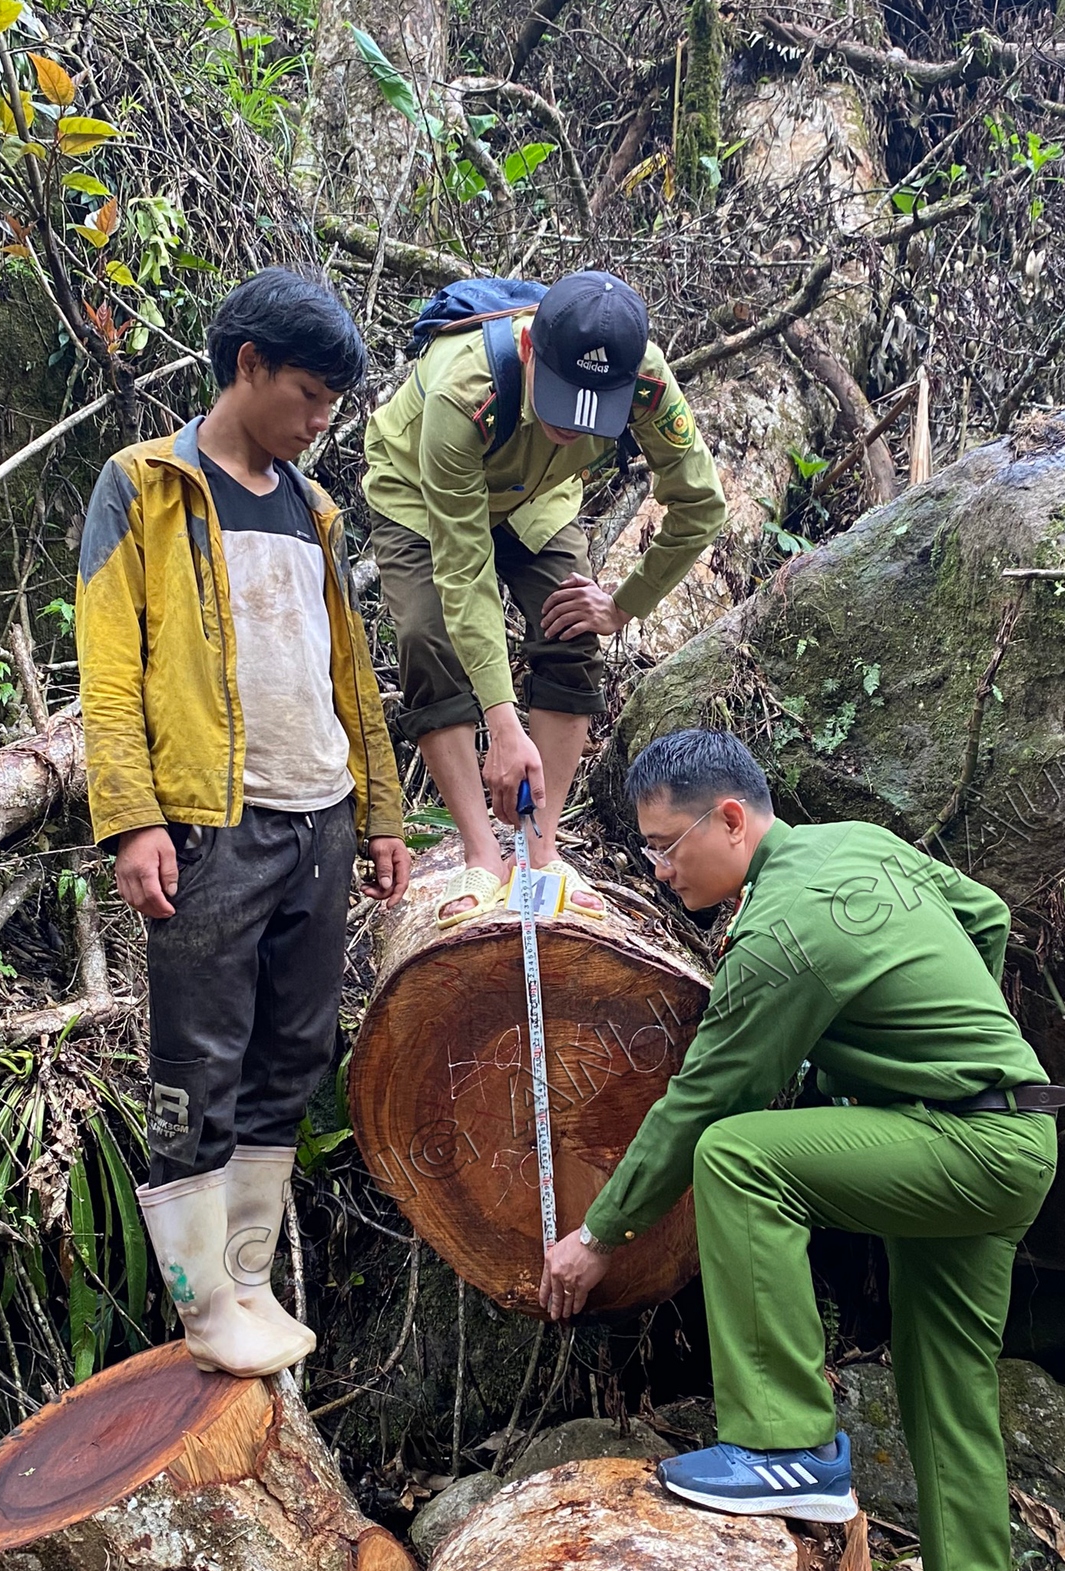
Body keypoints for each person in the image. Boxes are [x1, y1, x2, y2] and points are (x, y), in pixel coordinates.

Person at [540, 728, 1065, 1571]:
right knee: (947, 1392)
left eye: (666, 845)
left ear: (731, 819)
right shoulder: (858, 846)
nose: (658, 868)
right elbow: (983, 916)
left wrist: (597, 1239)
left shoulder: (779, 937)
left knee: (741, 1155)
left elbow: (700, 1106)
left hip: (961, 1147)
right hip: (1011, 1133)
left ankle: (786, 1444)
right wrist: (922, 1050)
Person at [76, 267, 410, 1380]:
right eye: (310, 396)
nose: (321, 422)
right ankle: (202, 1301)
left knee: (294, 1050)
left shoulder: (312, 505)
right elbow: (110, 671)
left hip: (316, 814)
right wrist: (131, 821)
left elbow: (348, 671)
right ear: (249, 366)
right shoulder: (145, 487)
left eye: (332, 405)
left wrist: (380, 811)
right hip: (209, 822)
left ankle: (253, 1280)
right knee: (197, 1058)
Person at [363, 269, 727, 927]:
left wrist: (624, 603)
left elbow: (701, 504)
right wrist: (502, 726)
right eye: (561, 400)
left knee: (572, 630)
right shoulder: (462, 389)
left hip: (536, 497)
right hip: (422, 495)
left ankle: (539, 850)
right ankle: (481, 854)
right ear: (530, 350)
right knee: (426, 635)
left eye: (594, 409)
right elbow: (463, 568)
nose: (574, 424)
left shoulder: (644, 377)